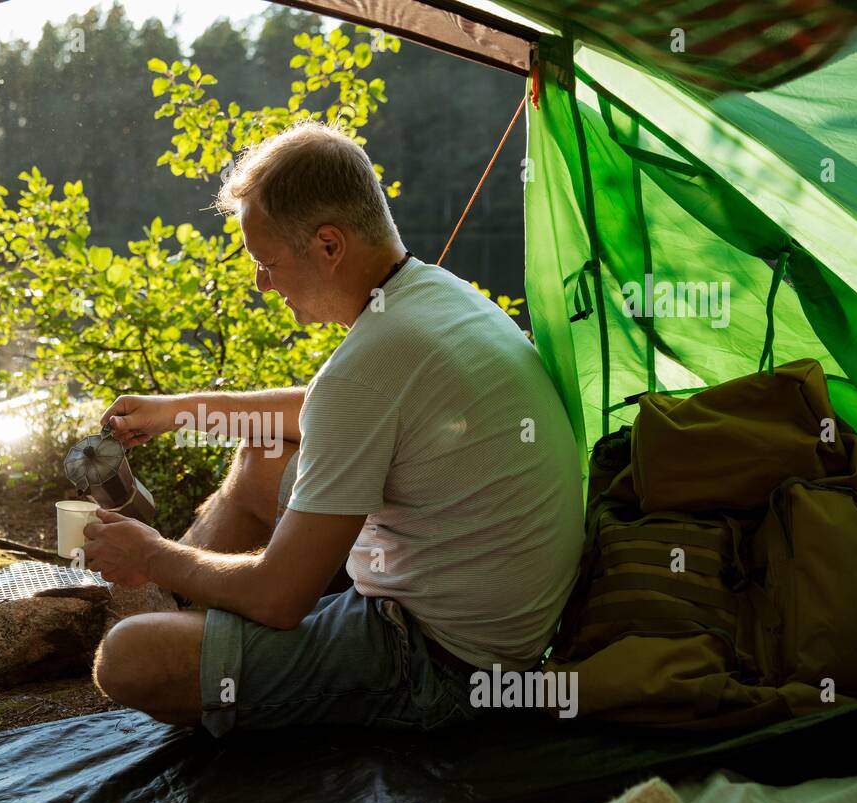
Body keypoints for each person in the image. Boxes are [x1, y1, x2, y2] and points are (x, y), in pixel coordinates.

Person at [81, 120, 584, 737]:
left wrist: (153, 556)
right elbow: (328, 408)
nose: (260, 283)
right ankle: (200, 611)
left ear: (327, 245)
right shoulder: (430, 296)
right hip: (495, 618)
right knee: (265, 454)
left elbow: (279, 597)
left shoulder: (373, 360)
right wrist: (182, 409)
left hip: (443, 668)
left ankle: (197, 624)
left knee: (130, 658)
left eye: (266, 262)